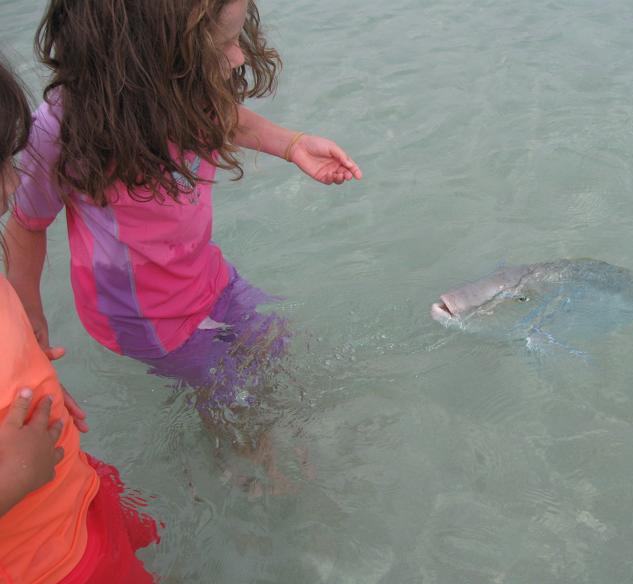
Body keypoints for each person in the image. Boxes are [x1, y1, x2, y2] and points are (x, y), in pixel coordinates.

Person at [4, 0, 362, 421]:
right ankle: (244, 467)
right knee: (233, 401)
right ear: (150, 56)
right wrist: (27, 318)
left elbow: (222, 117)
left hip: (208, 277)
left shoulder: (178, 88)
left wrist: (292, 143)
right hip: (143, 317)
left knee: (276, 348)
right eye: (225, 43)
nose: (239, 56)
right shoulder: (62, 130)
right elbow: (27, 224)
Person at [0, 55, 159, 584]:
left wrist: (37, 381)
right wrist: (10, 477)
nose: (12, 181)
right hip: (44, 563)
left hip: (76, 490)